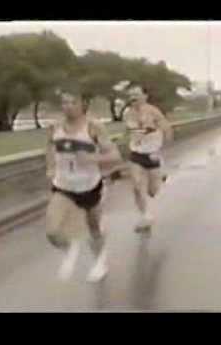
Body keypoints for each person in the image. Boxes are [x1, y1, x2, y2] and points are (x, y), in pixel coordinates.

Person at [45, 90, 122, 282]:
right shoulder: (55, 127)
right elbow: (49, 147)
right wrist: (50, 167)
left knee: (94, 228)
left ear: (82, 105)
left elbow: (115, 156)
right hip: (63, 186)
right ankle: (70, 247)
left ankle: (100, 263)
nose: (68, 106)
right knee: (52, 232)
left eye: (73, 102)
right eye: (64, 103)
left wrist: (91, 158)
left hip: (90, 186)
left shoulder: (94, 128)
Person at [124, 85, 173, 234]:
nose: (133, 98)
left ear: (145, 96)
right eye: (131, 95)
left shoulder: (153, 112)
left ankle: (161, 176)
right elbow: (130, 131)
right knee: (137, 187)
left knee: (152, 191)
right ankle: (145, 216)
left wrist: (160, 151)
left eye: (136, 95)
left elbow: (167, 130)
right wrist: (134, 136)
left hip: (153, 153)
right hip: (136, 154)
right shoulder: (127, 113)